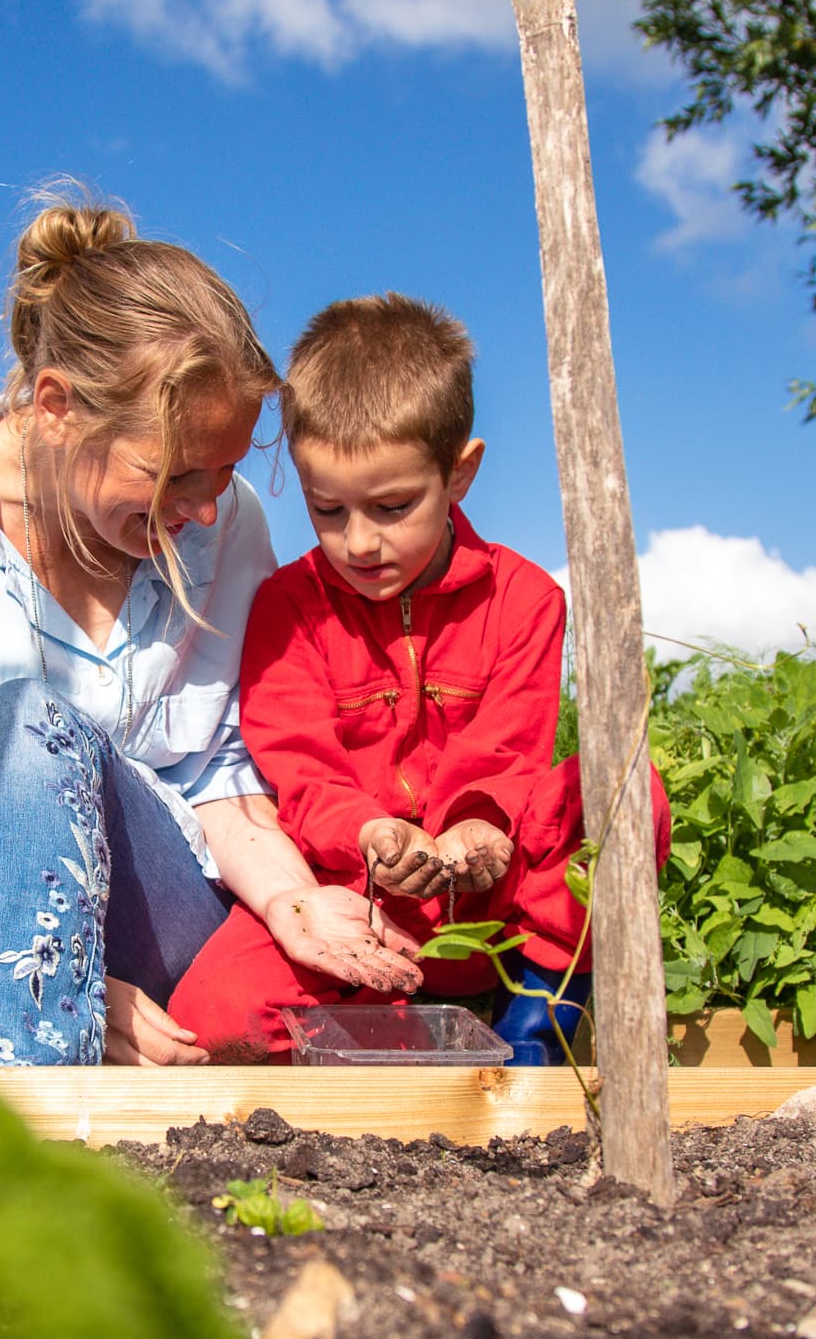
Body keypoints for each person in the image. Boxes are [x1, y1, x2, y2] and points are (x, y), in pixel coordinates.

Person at [0, 194, 424, 1066]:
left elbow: (224, 767)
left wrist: (293, 900)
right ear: (56, 407)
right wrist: (58, 983)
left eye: (225, 471)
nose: (206, 505)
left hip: (154, 926)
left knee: (25, 725)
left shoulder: (224, 521)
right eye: (173, 473)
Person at [167, 293, 671, 1060]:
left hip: (491, 904)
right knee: (215, 1016)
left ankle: (539, 1025)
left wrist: (480, 827)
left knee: (621, 791)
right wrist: (371, 832)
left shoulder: (526, 598)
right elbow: (298, 768)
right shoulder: (286, 607)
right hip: (358, 905)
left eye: (393, 506)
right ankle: (402, 1037)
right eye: (327, 510)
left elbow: (511, 750)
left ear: (459, 473)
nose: (359, 542)